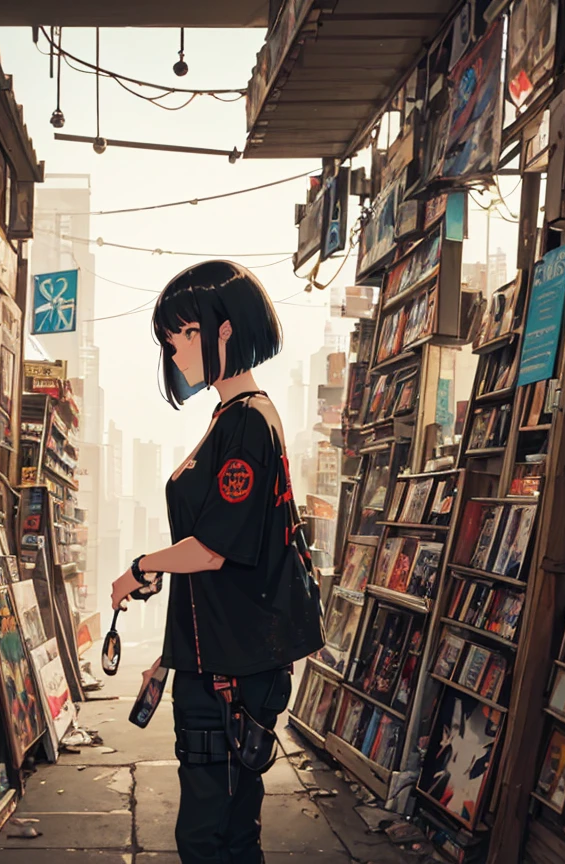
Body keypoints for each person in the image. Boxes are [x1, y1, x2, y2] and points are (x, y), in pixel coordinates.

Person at [111, 260, 324, 864]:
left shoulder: (249, 423)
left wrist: (140, 567)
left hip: (234, 672)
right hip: (220, 659)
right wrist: (172, 651)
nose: (172, 351)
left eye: (179, 334)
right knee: (221, 823)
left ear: (223, 330)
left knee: (212, 832)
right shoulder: (234, 418)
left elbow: (214, 549)